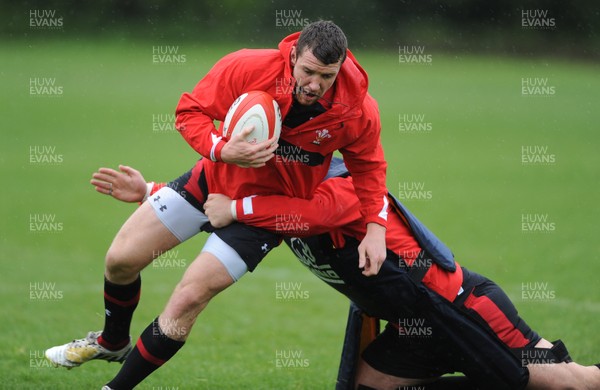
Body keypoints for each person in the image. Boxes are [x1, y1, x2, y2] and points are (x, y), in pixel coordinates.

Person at [45, 21, 390, 390]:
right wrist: (221, 150)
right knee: (120, 259)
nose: (314, 84)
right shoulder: (248, 66)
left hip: (261, 214)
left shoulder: (357, 109)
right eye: (307, 71)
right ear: (292, 56)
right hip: (212, 180)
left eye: (327, 76)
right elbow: (189, 112)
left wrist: (375, 228)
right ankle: (112, 342)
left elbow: (368, 167)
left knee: (188, 299)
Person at [88, 159, 600, 390]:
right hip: (410, 327)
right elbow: (234, 206)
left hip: (464, 308)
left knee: (560, 382)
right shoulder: (278, 202)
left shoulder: (338, 189)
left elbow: (299, 215)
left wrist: (238, 204)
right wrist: (158, 189)